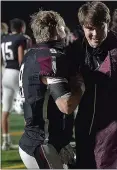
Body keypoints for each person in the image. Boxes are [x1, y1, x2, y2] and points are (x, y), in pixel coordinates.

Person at [66, 1, 117, 168]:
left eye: (99, 27)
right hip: (88, 129)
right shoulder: (77, 50)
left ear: (108, 24)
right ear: (82, 27)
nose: (95, 33)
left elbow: (115, 76)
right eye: (90, 28)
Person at [18, 10, 84, 169]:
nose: (66, 31)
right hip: (43, 143)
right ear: (57, 29)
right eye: (63, 27)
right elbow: (66, 105)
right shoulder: (50, 56)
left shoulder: (32, 53)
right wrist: (81, 87)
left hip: (46, 140)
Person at [1, 18, 27, 151]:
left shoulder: (3, 39)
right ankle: (28, 141)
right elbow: (21, 59)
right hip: (16, 73)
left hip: (6, 73)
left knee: (5, 110)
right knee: (26, 107)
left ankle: (5, 141)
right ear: (22, 27)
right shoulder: (21, 38)